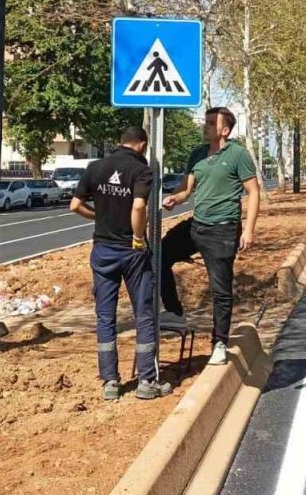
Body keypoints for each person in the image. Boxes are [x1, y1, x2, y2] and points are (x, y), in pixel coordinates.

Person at [70, 127, 173, 401]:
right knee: (144, 313)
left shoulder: (95, 167)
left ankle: (110, 382)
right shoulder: (141, 171)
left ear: (120, 143)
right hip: (131, 251)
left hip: (102, 250)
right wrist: (138, 237)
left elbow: (75, 205)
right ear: (141, 145)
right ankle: (146, 381)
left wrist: (99, 218)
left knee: (105, 316)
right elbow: (139, 207)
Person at [161, 107, 261, 365]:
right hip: (197, 225)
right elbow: (186, 190)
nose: (204, 127)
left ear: (225, 130)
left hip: (224, 229)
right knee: (158, 254)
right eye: (204, 122)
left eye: (210, 123)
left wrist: (248, 230)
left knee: (220, 290)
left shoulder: (237, 154)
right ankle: (173, 309)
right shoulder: (197, 154)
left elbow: (253, 192)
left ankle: (219, 342)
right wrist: (175, 198)